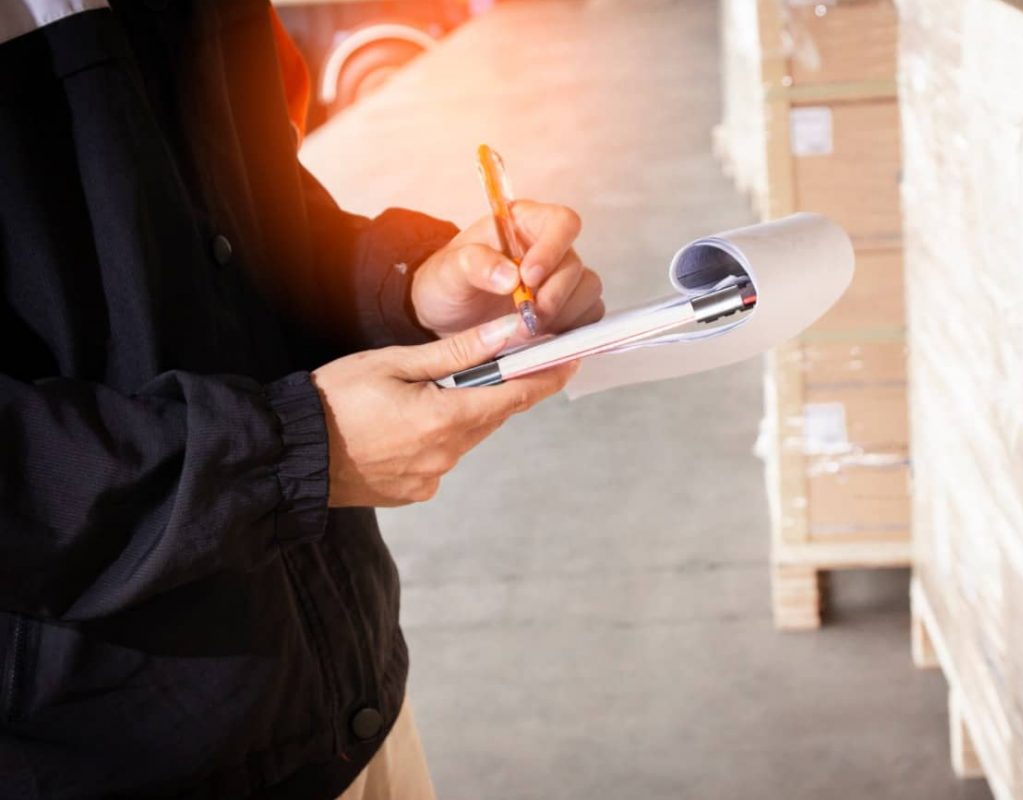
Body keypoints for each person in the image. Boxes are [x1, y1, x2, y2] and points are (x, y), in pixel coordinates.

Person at [0, 1, 603, 797]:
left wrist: (408, 289)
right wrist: (290, 453)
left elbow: (246, 221)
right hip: (117, 754)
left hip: (341, 698)